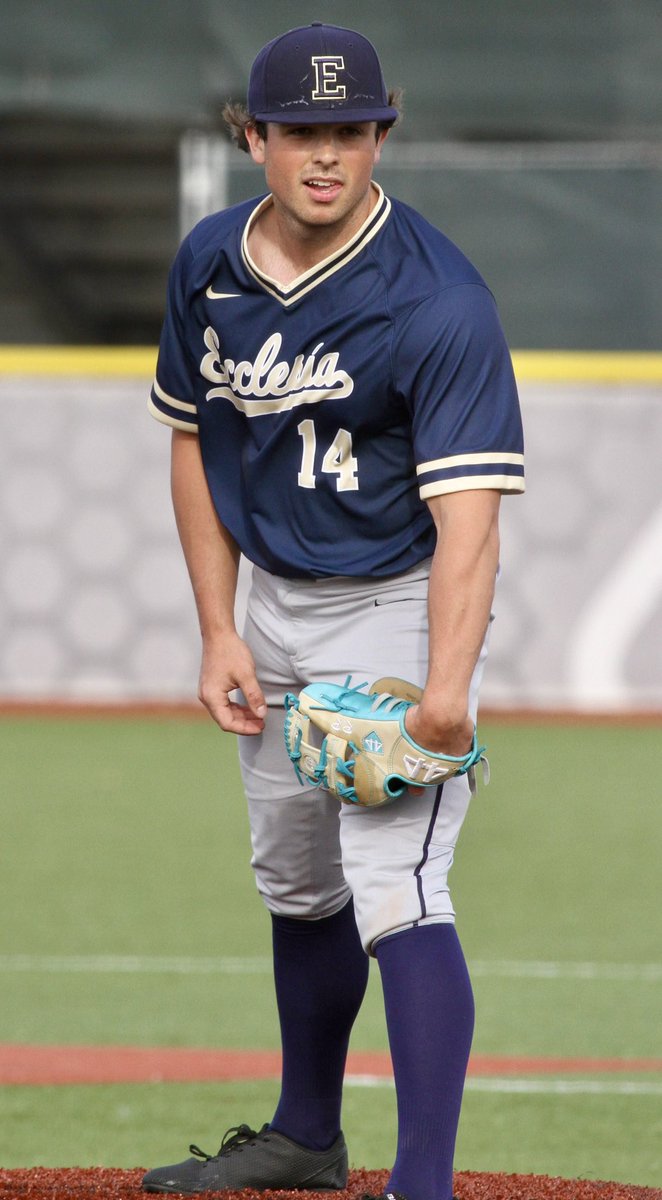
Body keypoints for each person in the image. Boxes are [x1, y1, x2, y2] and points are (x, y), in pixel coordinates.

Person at [142, 21, 524, 1200]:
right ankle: (306, 1134)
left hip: (393, 610)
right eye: (299, 130)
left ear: (380, 133)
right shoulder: (209, 263)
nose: (325, 154)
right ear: (250, 136)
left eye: (349, 129)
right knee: (295, 884)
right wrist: (217, 628)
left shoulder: (438, 298)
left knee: (397, 885)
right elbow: (194, 445)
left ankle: (423, 1185)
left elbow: (468, 524)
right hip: (272, 611)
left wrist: (446, 691)